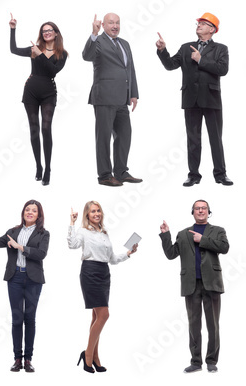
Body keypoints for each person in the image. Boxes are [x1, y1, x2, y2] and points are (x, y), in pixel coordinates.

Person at [156, 13, 232, 187]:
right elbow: (170, 65)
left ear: (212, 30)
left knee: (215, 138)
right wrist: (162, 50)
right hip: (191, 99)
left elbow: (223, 69)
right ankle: (193, 175)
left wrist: (201, 59)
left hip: (211, 99)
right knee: (193, 139)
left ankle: (221, 174)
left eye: (203, 24)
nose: (198, 25)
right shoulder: (185, 48)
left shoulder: (221, 48)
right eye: (198, 23)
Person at [160, 200, 230, 373]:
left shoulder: (218, 231)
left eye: (204, 208)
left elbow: (225, 247)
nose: (200, 210)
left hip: (212, 283)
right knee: (193, 324)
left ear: (208, 211)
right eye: (197, 208)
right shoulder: (183, 234)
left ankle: (212, 361)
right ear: (192, 212)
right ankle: (196, 361)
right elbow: (171, 254)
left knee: (213, 324)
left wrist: (203, 240)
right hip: (191, 284)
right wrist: (165, 235)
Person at [67, 201, 137, 373]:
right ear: (87, 215)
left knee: (96, 316)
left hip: (104, 273)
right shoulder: (83, 231)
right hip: (90, 272)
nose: (96, 214)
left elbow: (111, 258)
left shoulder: (104, 233)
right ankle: (88, 354)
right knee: (104, 315)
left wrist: (128, 253)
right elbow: (72, 245)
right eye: (92, 211)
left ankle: (95, 357)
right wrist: (72, 224)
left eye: (98, 211)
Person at [0, 200, 49, 372]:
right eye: (27, 209)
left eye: (33, 211)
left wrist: (19, 246)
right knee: (16, 319)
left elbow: (41, 254)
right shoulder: (13, 231)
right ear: (23, 213)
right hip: (15, 277)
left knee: (30, 319)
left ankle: (28, 359)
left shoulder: (43, 233)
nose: (29, 212)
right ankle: (17, 359)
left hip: (33, 279)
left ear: (38, 215)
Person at [83, 13, 141, 187]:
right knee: (103, 138)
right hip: (104, 97)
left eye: (117, 23)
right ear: (104, 25)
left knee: (124, 135)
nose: (115, 26)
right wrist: (93, 34)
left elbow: (130, 69)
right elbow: (87, 55)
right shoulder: (98, 41)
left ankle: (121, 172)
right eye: (111, 23)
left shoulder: (125, 43)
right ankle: (105, 175)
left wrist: (134, 93)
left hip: (122, 98)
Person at [8, 15, 67, 186]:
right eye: (44, 31)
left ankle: (48, 168)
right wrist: (13, 29)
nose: (46, 33)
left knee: (46, 128)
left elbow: (52, 71)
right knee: (34, 130)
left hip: (49, 93)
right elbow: (13, 49)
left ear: (56, 33)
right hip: (31, 92)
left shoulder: (61, 53)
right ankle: (38, 166)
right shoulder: (35, 48)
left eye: (50, 30)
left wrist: (40, 54)